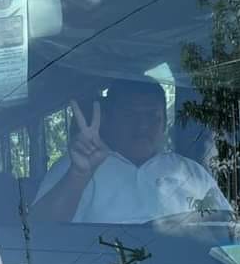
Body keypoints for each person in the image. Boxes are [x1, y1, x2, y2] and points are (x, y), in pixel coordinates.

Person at [32, 77, 229, 224]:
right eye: (130, 115)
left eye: (152, 116)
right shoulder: (77, 165)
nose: (142, 126)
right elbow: (39, 231)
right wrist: (78, 175)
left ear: (164, 122)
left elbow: (227, 232)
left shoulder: (191, 173)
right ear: (109, 120)